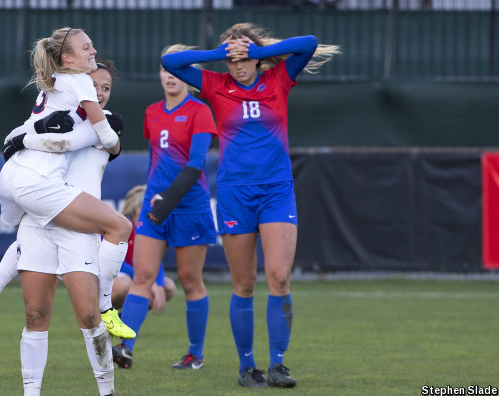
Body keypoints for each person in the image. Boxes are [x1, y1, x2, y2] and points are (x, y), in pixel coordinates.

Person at [161, 23, 339, 388]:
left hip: (276, 191)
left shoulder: (278, 78)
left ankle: (278, 365)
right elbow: (171, 61)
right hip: (235, 193)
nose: (239, 66)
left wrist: (253, 51)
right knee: (243, 283)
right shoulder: (214, 85)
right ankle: (247, 368)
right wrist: (221, 54)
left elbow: (309, 42)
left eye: (245, 59)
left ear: (257, 59)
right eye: (233, 60)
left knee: (279, 276)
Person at [0, 27, 135, 345]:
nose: (99, 93)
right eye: (96, 85)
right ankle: (106, 306)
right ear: (68, 59)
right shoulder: (76, 91)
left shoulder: (55, 90)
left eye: (107, 87)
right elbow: (88, 138)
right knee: (77, 315)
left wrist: (19, 138)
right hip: (49, 193)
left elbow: (105, 141)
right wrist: (26, 137)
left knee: (25, 240)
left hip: (17, 179)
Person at [112, 44, 218, 371]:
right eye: (164, 69)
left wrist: (167, 200)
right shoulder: (152, 112)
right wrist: (153, 198)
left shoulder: (200, 110)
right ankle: (125, 347)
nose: (169, 76)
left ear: (188, 75)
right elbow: (155, 162)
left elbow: (197, 163)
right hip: (154, 207)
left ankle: (195, 355)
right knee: (142, 276)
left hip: (188, 207)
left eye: (176, 71)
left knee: (189, 281)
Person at [111, 185, 176, 312]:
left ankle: (125, 322)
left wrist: (159, 285)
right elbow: (115, 264)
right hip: (107, 277)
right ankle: (96, 322)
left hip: (133, 277)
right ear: (134, 209)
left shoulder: (149, 231)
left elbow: (156, 261)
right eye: (144, 206)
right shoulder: (122, 226)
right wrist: (148, 281)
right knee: (125, 283)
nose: (149, 210)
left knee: (168, 286)